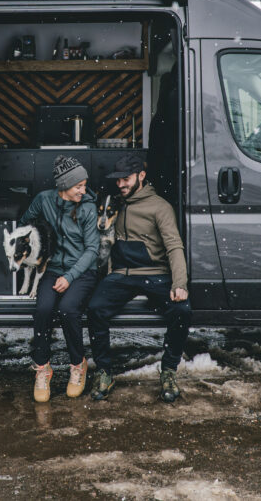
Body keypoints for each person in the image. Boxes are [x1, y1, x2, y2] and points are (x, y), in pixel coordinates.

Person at [87, 154, 191, 403]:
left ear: (141, 176)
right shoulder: (115, 203)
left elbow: (174, 246)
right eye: (118, 180)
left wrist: (179, 284)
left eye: (126, 179)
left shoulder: (159, 207)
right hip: (122, 275)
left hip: (156, 274)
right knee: (95, 309)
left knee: (182, 310)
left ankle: (168, 370)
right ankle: (104, 372)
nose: (121, 184)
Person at [19, 155, 100, 402]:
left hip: (82, 272)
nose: (83, 191)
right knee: (43, 309)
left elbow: (92, 250)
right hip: (53, 269)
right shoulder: (44, 200)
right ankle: (42, 368)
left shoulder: (87, 207)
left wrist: (70, 275)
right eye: (79, 186)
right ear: (64, 185)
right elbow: (26, 223)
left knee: (68, 310)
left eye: (84, 185)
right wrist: (35, 241)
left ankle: (78, 364)